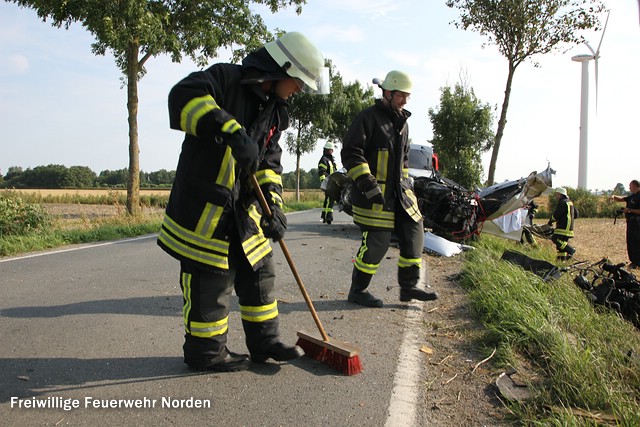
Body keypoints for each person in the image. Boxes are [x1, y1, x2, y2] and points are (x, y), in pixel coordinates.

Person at [157, 32, 326, 372]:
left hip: (245, 212)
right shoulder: (224, 79)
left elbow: (269, 165)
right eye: (298, 82)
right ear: (281, 69)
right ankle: (206, 353)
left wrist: (274, 207)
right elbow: (182, 97)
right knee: (210, 281)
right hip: (205, 210)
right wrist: (232, 131)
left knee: (260, 273)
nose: (300, 90)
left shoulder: (276, 113)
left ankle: (265, 342)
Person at [341, 70, 438, 307]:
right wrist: (367, 183)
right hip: (373, 196)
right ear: (387, 93)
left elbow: (403, 161)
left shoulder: (403, 123)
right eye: (401, 96)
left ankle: (409, 288)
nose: (405, 100)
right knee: (377, 244)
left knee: (414, 233)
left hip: (400, 196)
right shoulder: (368, 118)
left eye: (407, 96)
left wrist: (408, 189)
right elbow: (351, 152)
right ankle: (358, 290)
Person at [611, 180, 640, 269]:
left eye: (630, 186)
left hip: (637, 223)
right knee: (630, 242)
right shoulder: (632, 196)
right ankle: (633, 261)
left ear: (635, 186)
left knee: (636, 243)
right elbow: (621, 199)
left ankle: (637, 263)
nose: (629, 188)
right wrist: (613, 196)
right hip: (631, 223)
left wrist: (629, 210)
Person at [548, 187, 578, 260]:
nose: (556, 197)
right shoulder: (570, 202)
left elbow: (557, 214)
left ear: (561, 195)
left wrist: (551, 221)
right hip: (569, 229)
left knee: (555, 238)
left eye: (557, 195)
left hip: (563, 228)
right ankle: (561, 260)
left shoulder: (562, 202)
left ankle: (571, 250)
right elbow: (577, 214)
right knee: (561, 246)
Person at [318, 141, 338, 224]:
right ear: (327, 150)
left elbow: (335, 170)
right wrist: (324, 182)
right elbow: (321, 172)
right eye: (331, 150)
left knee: (328, 199)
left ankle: (325, 216)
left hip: (332, 181)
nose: (332, 151)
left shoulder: (331, 160)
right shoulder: (324, 160)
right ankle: (328, 217)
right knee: (330, 199)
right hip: (328, 182)